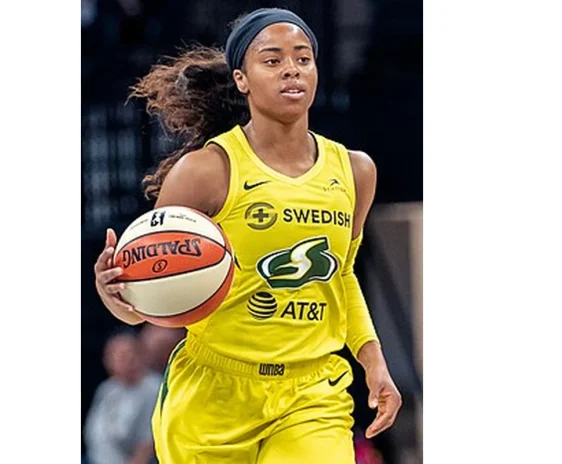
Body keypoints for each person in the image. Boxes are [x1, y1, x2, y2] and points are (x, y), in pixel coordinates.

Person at [93, 7, 402, 463]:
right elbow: (150, 296)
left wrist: (373, 361)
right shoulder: (206, 170)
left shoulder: (355, 170)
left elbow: (343, 275)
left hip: (311, 394)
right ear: (242, 79)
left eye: (303, 58)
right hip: (214, 392)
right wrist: (118, 296)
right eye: (272, 60)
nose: (291, 69)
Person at [84, 328, 162, 464]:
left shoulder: (154, 388)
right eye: (116, 355)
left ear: (142, 355)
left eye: (128, 354)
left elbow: (148, 444)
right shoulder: (107, 388)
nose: (125, 360)